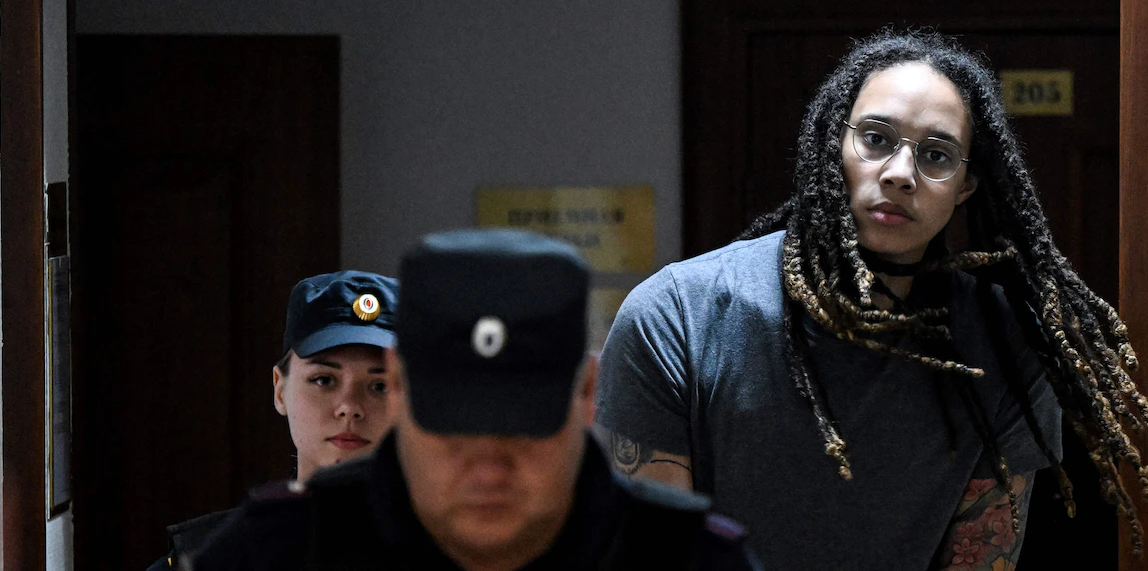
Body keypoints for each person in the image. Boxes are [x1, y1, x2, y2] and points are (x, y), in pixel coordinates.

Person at [595, 30, 1148, 570]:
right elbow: (656, 551)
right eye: (876, 139)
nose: (900, 174)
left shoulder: (1003, 344)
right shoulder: (675, 316)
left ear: (965, 186)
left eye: (936, 155)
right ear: (833, 142)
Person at [189, 228, 762, 571]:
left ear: (589, 392)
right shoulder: (277, 552)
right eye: (454, 427)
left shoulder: (685, 559)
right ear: (402, 389)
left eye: (521, 427)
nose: (488, 469)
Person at [148, 270, 398, 571]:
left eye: (379, 386)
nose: (349, 407)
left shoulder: (445, 551)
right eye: (323, 380)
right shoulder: (215, 556)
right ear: (280, 390)